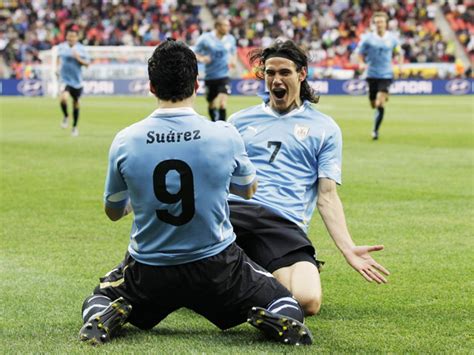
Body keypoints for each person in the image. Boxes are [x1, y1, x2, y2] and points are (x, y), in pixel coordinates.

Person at [78, 39, 313, 346]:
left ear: (151, 87)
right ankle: (270, 317)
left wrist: (141, 198)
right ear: (197, 84)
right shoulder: (224, 134)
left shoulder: (126, 140)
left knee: (97, 297)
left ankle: (107, 314)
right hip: (216, 265)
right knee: (286, 302)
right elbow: (247, 190)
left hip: (150, 268)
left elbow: (113, 212)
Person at [228, 40, 390, 317]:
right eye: (270, 73)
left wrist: (348, 248)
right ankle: (246, 273)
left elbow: (326, 196)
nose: (276, 80)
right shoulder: (238, 121)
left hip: (282, 223)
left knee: (307, 301)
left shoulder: (324, 128)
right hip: (234, 213)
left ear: (301, 74)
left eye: (284, 73)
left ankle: (244, 273)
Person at [356, 11, 403, 140]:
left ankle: (375, 131)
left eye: (381, 22)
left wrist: (399, 66)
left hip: (386, 74)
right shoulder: (367, 39)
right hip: (371, 74)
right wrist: (360, 63)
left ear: (386, 23)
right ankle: (382, 96)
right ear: (374, 24)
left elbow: (399, 53)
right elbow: (359, 53)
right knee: (373, 104)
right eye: (377, 22)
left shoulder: (392, 39)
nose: (379, 24)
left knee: (379, 103)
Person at [194, 16, 236, 121]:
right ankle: (213, 122)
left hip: (224, 75)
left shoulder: (230, 39)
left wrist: (233, 60)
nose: (228, 28)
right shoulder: (205, 38)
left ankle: (223, 125)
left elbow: (234, 51)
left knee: (222, 103)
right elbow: (195, 53)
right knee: (212, 103)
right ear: (217, 26)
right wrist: (202, 58)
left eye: (228, 25)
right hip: (210, 76)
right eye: (225, 25)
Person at [57, 25, 90, 137]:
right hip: (65, 80)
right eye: (69, 36)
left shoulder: (81, 49)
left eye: (73, 37)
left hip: (77, 81)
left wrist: (78, 58)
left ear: (77, 38)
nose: (71, 38)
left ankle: (74, 127)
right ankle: (66, 116)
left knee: (76, 103)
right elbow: (58, 57)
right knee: (63, 99)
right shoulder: (61, 47)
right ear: (66, 37)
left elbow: (87, 64)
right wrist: (57, 69)